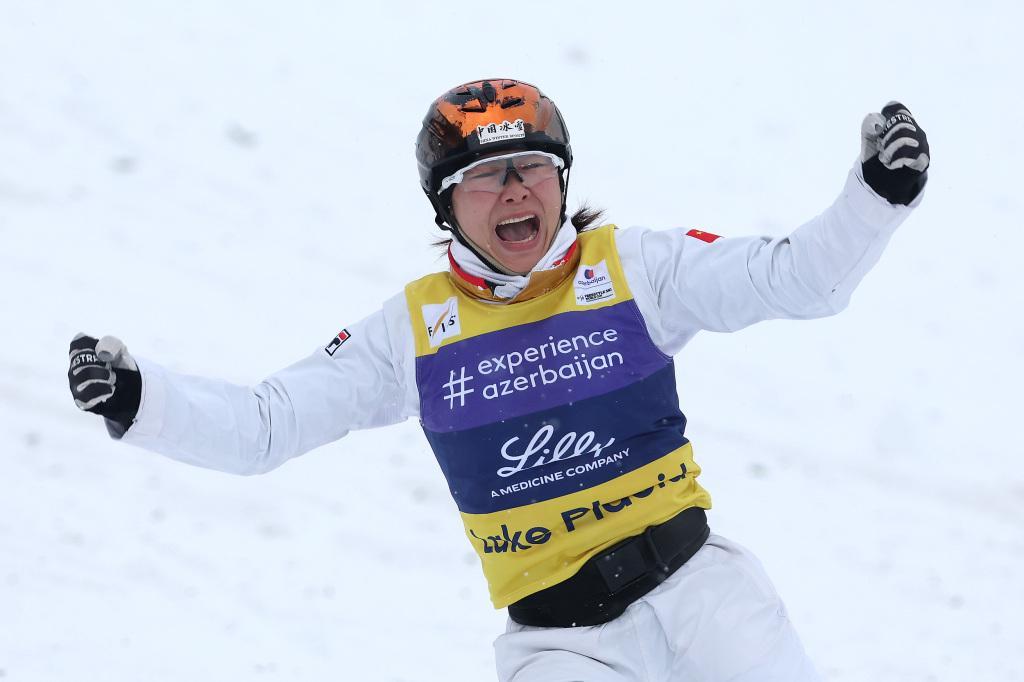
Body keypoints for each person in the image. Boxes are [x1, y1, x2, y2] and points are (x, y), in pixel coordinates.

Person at [67, 78, 930, 681]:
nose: (515, 191)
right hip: (564, 648)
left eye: (533, 168)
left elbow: (795, 279)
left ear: (561, 180)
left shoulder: (634, 267)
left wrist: (878, 193)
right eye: (484, 176)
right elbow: (266, 425)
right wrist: (144, 400)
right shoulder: (414, 330)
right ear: (445, 206)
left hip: (707, 599)